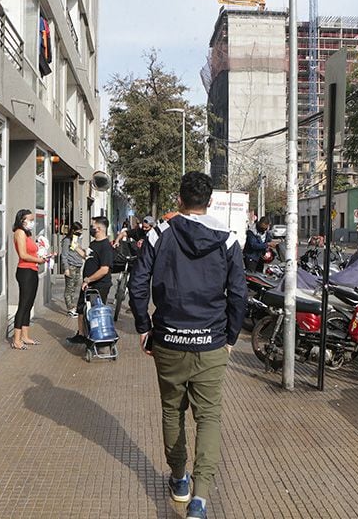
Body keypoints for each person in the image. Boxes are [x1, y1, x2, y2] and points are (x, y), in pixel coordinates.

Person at [129, 171, 246, 519]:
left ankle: (179, 479)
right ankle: (200, 498)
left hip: (169, 338)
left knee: (171, 410)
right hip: (211, 342)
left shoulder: (158, 235)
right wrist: (231, 337)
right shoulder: (227, 240)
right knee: (208, 417)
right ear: (209, 202)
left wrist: (143, 327)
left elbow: (138, 285)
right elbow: (238, 294)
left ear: (179, 200)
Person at [66, 216, 113, 344]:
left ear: (98, 228)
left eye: (92, 226)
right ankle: (81, 334)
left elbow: (104, 269)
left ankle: (97, 337)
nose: (90, 229)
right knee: (81, 308)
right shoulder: (94, 243)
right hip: (87, 284)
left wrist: (89, 279)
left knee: (95, 312)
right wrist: (75, 246)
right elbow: (87, 256)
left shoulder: (106, 247)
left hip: (98, 285)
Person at [10, 209, 51, 349]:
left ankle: (25, 336)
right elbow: (23, 254)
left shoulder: (27, 234)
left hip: (32, 270)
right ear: (22, 220)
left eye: (33, 220)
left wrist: (43, 256)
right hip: (25, 271)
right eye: (30, 220)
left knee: (29, 305)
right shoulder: (19, 233)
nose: (32, 223)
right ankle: (16, 339)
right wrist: (38, 260)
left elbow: (32, 252)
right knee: (23, 305)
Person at [61, 222, 86, 317]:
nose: (80, 232)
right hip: (71, 266)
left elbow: (78, 251)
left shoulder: (76, 240)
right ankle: (70, 308)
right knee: (69, 288)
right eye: (79, 231)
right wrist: (66, 268)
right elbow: (64, 255)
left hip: (78, 265)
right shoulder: (67, 240)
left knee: (74, 287)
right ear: (74, 230)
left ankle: (72, 305)